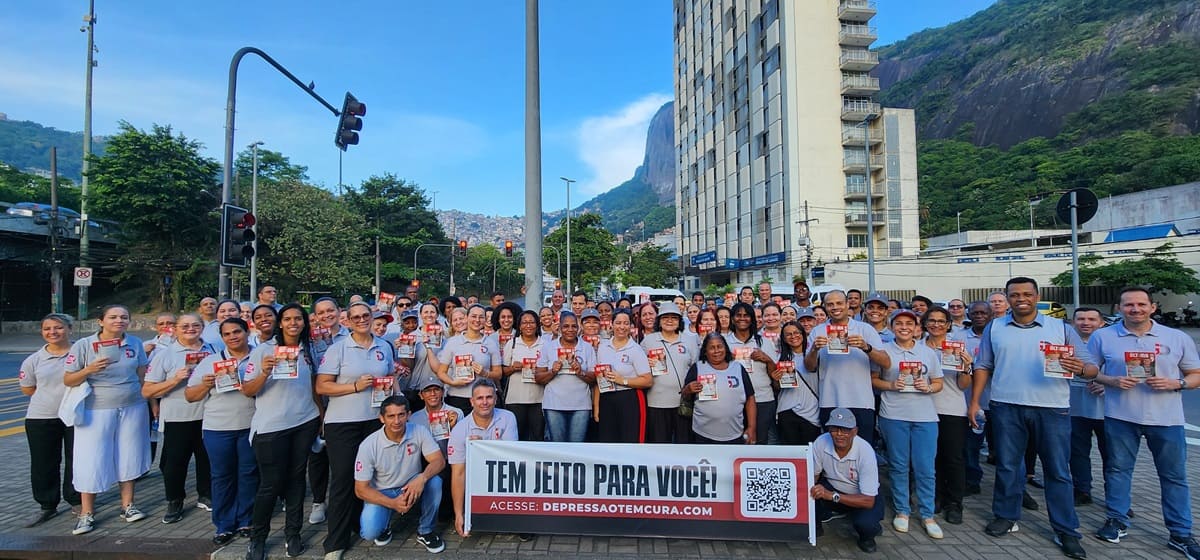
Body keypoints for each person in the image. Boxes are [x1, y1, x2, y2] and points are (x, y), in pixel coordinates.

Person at [968, 277, 1095, 559]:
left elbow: (1091, 367)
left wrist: (1081, 368)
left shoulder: (1060, 328)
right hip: (1006, 406)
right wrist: (975, 402)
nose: (1020, 299)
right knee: (1008, 467)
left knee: (1057, 470)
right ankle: (1006, 515)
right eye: (1014, 295)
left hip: (1052, 408)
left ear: (1037, 296)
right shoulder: (995, 326)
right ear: (1008, 298)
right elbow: (984, 365)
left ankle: (1066, 529)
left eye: (1027, 294)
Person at [1086, 287, 1200, 558]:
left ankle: (1180, 533)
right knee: (1117, 471)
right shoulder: (1103, 336)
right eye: (1128, 305)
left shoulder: (1177, 337)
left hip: (1167, 420)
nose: (1134, 309)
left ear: (1153, 307)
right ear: (1118, 308)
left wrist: (1177, 383)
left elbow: (1195, 374)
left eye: (1140, 304)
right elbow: (1089, 370)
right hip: (1120, 417)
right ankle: (1117, 520)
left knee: (1174, 477)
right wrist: (1108, 380)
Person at [316, 301, 398, 560]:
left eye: (366, 315)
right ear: (347, 321)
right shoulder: (338, 349)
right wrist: (354, 387)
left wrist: (398, 399)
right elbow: (322, 386)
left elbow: (391, 378)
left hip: (375, 422)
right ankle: (335, 542)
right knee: (342, 480)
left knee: (370, 478)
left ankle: (361, 525)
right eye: (356, 317)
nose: (362, 320)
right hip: (342, 423)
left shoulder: (384, 346)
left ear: (372, 317)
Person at [241, 303, 322, 560]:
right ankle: (258, 538)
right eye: (287, 319)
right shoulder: (263, 351)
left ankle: (293, 533)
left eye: (298, 318)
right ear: (280, 322)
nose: (293, 323)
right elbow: (248, 389)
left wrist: (320, 417)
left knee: (297, 481)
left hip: (304, 422)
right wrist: (265, 371)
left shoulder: (308, 350)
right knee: (271, 484)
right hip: (272, 427)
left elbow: (313, 387)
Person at [62, 304, 151, 535]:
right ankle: (86, 513)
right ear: (101, 321)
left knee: (129, 455)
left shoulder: (135, 343)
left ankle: (128, 505)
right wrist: (89, 369)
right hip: (95, 409)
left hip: (132, 406)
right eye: (113, 317)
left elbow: (142, 376)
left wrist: (151, 404)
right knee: (92, 459)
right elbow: (69, 379)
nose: (119, 321)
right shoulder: (83, 345)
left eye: (124, 317)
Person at [186, 317, 258, 545]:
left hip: (251, 425)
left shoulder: (259, 357)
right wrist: (206, 384)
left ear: (247, 332)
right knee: (222, 476)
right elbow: (190, 396)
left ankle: (247, 519)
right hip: (218, 427)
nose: (233, 337)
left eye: (237, 332)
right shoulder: (210, 362)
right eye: (227, 334)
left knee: (248, 474)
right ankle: (224, 524)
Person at [874, 309, 945, 539]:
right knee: (898, 465)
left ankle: (927, 514)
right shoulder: (884, 352)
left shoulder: (927, 353)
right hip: (893, 414)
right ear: (891, 326)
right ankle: (902, 510)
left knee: (925, 467)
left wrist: (929, 388)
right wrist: (892, 385)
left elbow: (938, 382)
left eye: (909, 323)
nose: (903, 327)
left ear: (917, 327)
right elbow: (873, 379)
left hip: (925, 416)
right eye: (898, 323)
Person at [142, 312, 215, 524]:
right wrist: (175, 380)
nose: (190, 329)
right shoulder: (165, 355)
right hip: (177, 416)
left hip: (210, 413)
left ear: (202, 327)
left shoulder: (213, 350)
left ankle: (206, 494)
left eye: (195, 325)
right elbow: (148, 390)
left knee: (207, 458)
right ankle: (175, 500)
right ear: (175, 329)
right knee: (175, 462)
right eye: (185, 326)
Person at [355, 396, 446, 553]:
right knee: (370, 533)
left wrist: (422, 478)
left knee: (435, 481)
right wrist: (393, 504)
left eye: (401, 415)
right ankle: (384, 524)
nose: (396, 421)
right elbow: (360, 490)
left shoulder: (419, 430)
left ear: (409, 414)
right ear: (381, 418)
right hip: (383, 491)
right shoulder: (368, 445)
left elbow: (439, 461)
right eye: (391, 416)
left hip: (411, 484)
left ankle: (426, 530)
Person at [803, 291, 890, 445]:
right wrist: (814, 350)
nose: (835, 307)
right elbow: (809, 367)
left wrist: (866, 347)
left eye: (839, 303)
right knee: (831, 449)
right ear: (824, 307)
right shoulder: (818, 331)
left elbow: (886, 362)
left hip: (861, 401)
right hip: (830, 400)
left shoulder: (865, 329)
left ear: (848, 305)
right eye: (830, 304)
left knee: (862, 448)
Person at [20, 313, 82, 526]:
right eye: (47, 329)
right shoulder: (34, 360)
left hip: (76, 416)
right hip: (42, 417)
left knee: (77, 460)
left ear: (70, 329)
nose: (53, 332)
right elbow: (28, 388)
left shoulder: (81, 352)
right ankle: (47, 505)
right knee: (43, 463)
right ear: (42, 332)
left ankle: (76, 500)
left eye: (58, 327)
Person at [449, 379, 518, 537]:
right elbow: (458, 474)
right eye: (480, 398)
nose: (485, 402)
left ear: (495, 399)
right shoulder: (460, 429)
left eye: (489, 397)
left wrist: (483, 446)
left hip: (504, 474)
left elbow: (511, 456)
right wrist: (459, 514)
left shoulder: (508, 417)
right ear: (471, 401)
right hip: (476, 478)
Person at [810, 408, 883, 553]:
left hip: (861, 495)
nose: (839, 434)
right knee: (811, 491)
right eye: (834, 429)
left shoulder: (865, 451)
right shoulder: (821, 442)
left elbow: (868, 500)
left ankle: (867, 537)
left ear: (854, 431)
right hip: (833, 487)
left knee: (866, 524)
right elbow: (813, 476)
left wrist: (832, 496)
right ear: (829, 429)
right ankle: (815, 524)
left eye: (845, 430)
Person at [924, 307, 972, 526]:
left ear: (949, 324)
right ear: (925, 324)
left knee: (953, 459)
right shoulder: (917, 347)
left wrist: (966, 367)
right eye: (932, 321)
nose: (936, 325)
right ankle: (936, 497)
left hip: (952, 408)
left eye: (941, 321)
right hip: (924, 410)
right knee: (931, 458)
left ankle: (955, 503)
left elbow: (963, 386)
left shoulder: (957, 347)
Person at [641, 302, 699, 444]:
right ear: (659, 321)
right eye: (665, 317)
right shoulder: (648, 341)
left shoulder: (689, 341)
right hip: (656, 403)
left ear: (679, 321)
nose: (669, 321)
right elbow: (640, 371)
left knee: (683, 443)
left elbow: (695, 369)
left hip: (683, 403)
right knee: (660, 443)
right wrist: (646, 365)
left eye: (674, 318)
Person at [682, 333, 756, 444]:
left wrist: (751, 427)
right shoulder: (697, 367)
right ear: (705, 352)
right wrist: (688, 389)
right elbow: (685, 396)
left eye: (720, 346)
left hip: (735, 433)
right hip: (703, 434)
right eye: (712, 347)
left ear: (725, 348)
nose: (716, 350)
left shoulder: (737, 368)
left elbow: (750, 398)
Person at [1068, 307, 1108, 506]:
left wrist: (1105, 382)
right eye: (1081, 319)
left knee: (1112, 457)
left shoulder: (1110, 343)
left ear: (1101, 322)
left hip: (1108, 411)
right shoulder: (1066, 344)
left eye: (1092, 319)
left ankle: (1115, 496)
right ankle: (1082, 490)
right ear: (1073, 322)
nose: (1086, 323)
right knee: (1077, 453)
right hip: (1075, 408)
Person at [536, 311, 596, 442]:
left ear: (578, 327)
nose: (570, 330)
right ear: (560, 328)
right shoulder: (548, 347)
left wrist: (581, 372)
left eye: (574, 326)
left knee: (577, 446)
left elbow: (594, 379)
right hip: (554, 405)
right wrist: (552, 371)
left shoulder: (587, 348)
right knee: (558, 447)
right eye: (566, 326)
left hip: (581, 406)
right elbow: (538, 377)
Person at [594, 309, 652, 442]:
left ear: (631, 326)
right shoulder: (603, 347)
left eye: (626, 323)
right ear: (612, 325)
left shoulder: (636, 349)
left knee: (630, 439)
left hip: (630, 398)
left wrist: (622, 380)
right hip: (607, 398)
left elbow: (647, 380)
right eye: (618, 323)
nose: (622, 327)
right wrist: (597, 406)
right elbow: (599, 378)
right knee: (608, 440)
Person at [431, 304, 501, 414]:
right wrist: (453, 382)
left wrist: (485, 373)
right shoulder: (453, 342)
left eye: (481, 317)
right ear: (467, 318)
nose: (477, 320)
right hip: (458, 397)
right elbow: (441, 372)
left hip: (484, 399)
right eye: (473, 316)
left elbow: (498, 374)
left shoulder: (491, 343)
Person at [724, 303, 777, 445]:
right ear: (733, 319)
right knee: (736, 441)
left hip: (762, 399)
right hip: (734, 400)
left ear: (752, 319)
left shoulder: (763, 342)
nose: (742, 318)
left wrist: (767, 359)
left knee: (759, 441)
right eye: (738, 315)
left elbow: (775, 374)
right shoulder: (725, 342)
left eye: (746, 315)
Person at [501, 310, 545, 442]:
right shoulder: (512, 344)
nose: (528, 325)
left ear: (537, 325)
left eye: (532, 322)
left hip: (539, 399)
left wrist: (539, 370)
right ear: (519, 326)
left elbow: (549, 371)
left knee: (537, 436)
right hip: (515, 399)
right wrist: (513, 368)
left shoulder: (545, 344)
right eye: (524, 322)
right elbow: (502, 371)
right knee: (516, 436)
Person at [775, 321, 821, 445]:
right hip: (787, 410)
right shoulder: (778, 357)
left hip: (812, 411)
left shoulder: (815, 354)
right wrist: (776, 379)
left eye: (796, 332)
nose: (793, 336)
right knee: (791, 454)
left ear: (803, 334)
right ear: (783, 339)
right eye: (788, 334)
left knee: (809, 454)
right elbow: (777, 388)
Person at [963, 301, 991, 495]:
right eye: (975, 313)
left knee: (1009, 450)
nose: (979, 315)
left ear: (991, 314)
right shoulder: (960, 338)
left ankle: (1020, 489)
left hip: (999, 400)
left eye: (983, 312)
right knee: (971, 446)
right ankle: (972, 481)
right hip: (972, 401)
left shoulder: (999, 335)